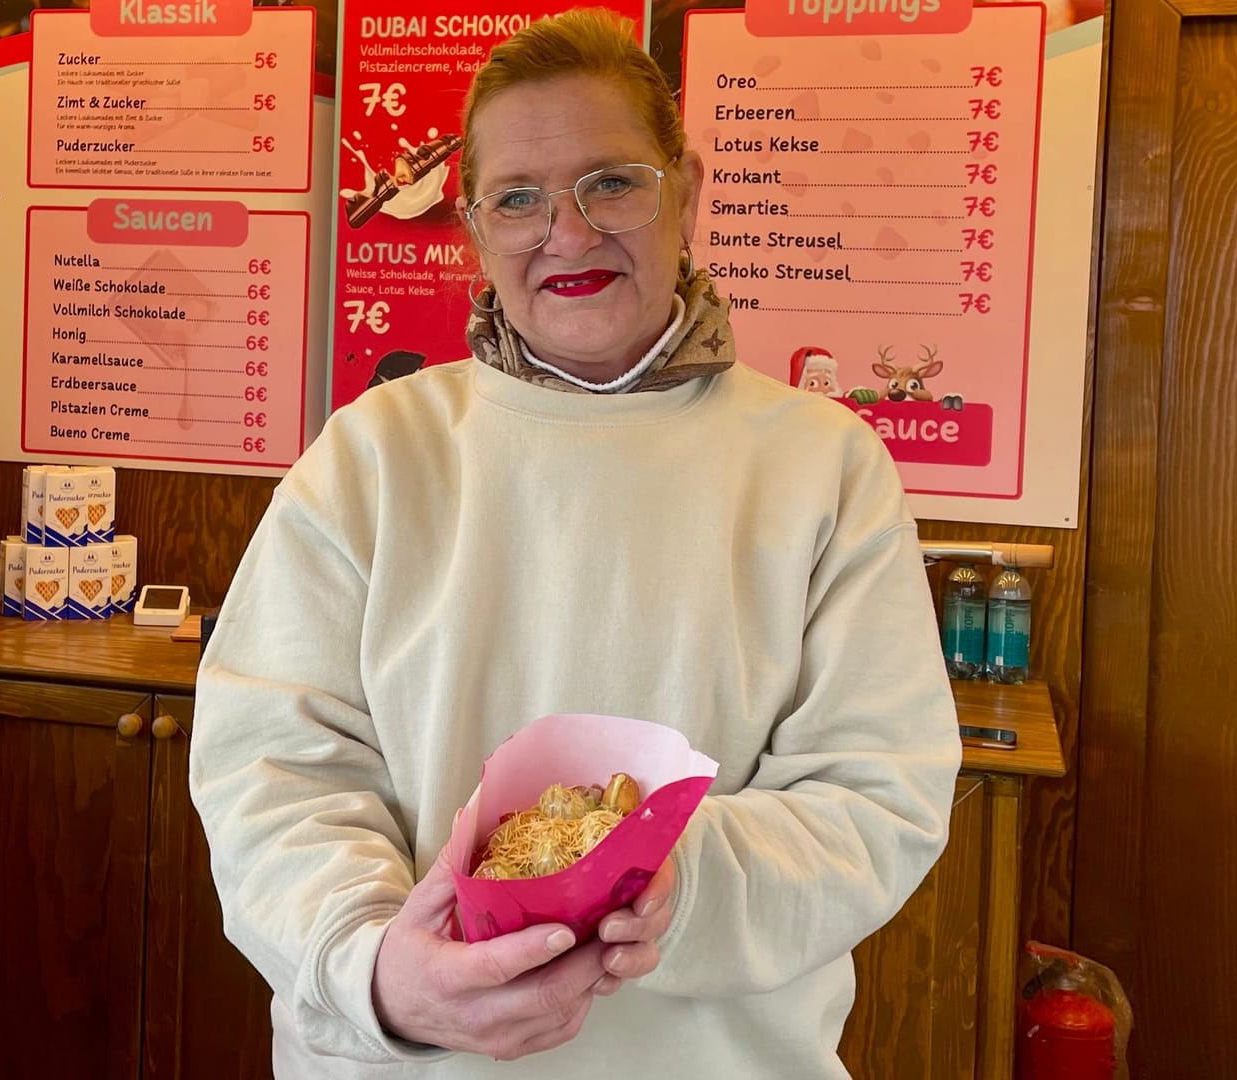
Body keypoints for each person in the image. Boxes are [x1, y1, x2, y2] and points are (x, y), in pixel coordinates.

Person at [189, 10, 960, 1076]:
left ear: (687, 193)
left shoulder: (821, 467)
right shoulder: (375, 455)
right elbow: (272, 774)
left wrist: (674, 882)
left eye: (612, 183)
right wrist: (375, 967)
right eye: (517, 199)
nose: (568, 232)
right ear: (473, 226)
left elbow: (877, 796)